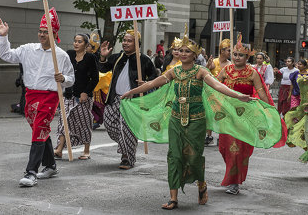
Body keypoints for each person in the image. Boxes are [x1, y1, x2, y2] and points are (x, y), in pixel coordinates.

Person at [119, 26, 283, 210]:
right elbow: (152, 83)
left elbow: (218, 87)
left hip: (196, 120)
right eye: (181, 50)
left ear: (195, 54)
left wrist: (238, 96)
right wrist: (131, 92)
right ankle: (173, 198)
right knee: (173, 156)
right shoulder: (174, 72)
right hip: (175, 118)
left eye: (187, 51)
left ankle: (201, 183)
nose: (182, 53)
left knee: (194, 157)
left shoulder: (201, 72)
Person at [0, 9, 75, 187]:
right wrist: (3, 37)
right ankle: (51, 165)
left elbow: (71, 79)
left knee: (39, 129)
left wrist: (64, 79)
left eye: (46, 32)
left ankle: (31, 172)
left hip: (50, 97)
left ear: (54, 34)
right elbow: (6, 55)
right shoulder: (28, 49)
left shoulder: (61, 56)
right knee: (40, 131)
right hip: (30, 96)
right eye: (40, 31)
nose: (42, 34)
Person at [216, 35, 276, 195]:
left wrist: (270, 108)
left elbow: (262, 92)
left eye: (240, 55)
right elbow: (213, 86)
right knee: (224, 148)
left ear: (246, 56)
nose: (236, 57)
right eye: (234, 54)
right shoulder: (225, 70)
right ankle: (232, 175)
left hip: (245, 116)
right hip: (227, 115)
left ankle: (234, 182)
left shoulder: (252, 72)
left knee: (238, 150)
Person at [99, 30, 157, 169]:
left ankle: (127, 157)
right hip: (114, 98)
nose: (125, 43)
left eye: (129, 41)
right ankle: (127, 143)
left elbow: (154, 77)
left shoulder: (144, 60)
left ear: (137, 44)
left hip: (133, 100)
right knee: (109, 123)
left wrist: (146, 84)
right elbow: (102, 68)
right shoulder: (117, 57)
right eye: (124, 40)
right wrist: (102, 57)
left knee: (127, 129)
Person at [54, 34, 99, 160]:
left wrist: (86, 92)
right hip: (69, 95)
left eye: (79, 42)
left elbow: (95, 78)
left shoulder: (90, 58)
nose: (76, 44)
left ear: (86, 44)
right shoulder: (69, 54)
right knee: (64, 120)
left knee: (84, 123)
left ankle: (86, 150)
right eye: (75, 41)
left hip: (83, 97)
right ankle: (59, 148)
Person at [205, 38, 231, 145]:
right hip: (211, 92)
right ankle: (209, 135)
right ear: (222, 51)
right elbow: (206, 70)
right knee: (209, 114)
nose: (230, 53)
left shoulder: (230, 64)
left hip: (224, 93)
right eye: (228, 50)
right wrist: (208, 64)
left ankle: (222, 136)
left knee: (222, 115)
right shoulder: (214, 61)